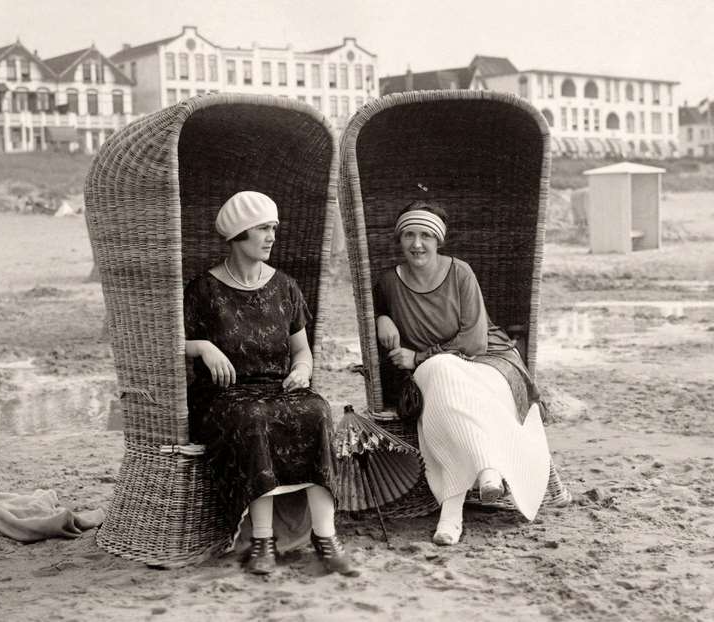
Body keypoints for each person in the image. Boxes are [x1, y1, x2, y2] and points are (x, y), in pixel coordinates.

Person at [184, 191, 358, 576]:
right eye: (263, 229)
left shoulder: (285, 287)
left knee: (315, 410)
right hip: (223, 395)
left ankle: (326, 538)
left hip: (277, 386)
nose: (271, 237)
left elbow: (302, 351)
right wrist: (202, 347)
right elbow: (169, 342)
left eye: (274, 229)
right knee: (251, 417)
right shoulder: (203, 289)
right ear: (239, 233)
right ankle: (263, 540)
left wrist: (301, 371)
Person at [373, 201, 554, 546]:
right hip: (432, 367)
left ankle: (451, 514)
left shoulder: (461, 273)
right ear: (399, 239)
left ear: (439, 240)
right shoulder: (388, 283)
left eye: (426, 235)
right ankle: (486, 468)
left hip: (488, 360)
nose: (417, 244)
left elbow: (474, 341)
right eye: (409, 235)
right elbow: (378, 309)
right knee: (441, 374)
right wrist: (382, 317)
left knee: (442, 389)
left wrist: (419, 356)